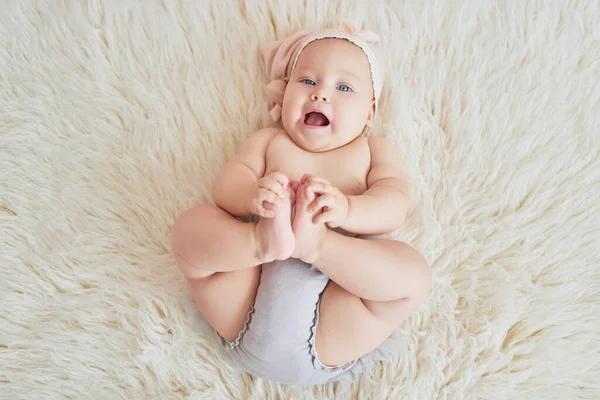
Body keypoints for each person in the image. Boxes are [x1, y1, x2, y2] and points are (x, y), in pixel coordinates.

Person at [171, 21, 432, 385]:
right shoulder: (267, 141)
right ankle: (261, 240)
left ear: (370, 112)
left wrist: (348, 209)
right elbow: (227, 186)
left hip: (332, 322)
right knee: (191, 227)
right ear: (284, 93)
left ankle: (318, 245)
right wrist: (251, 195)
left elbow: (393, 204)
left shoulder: (372, 151)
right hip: (245, 300)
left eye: (343, 87)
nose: (320, 94)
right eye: (307, 81)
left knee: (412, 274)